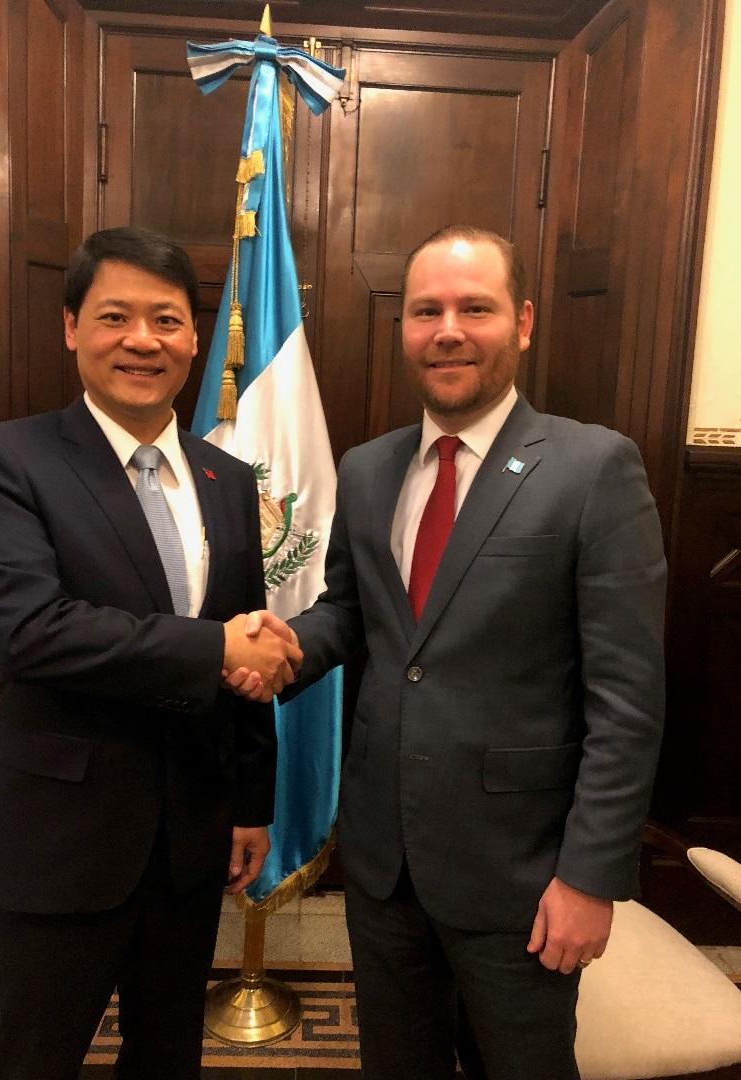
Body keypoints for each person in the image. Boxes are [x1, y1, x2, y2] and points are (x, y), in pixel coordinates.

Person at [228, 226, 667, 1080]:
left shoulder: (594, 468)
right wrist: (285, 647)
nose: (448, 331)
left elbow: (628, 700)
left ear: (524, 322)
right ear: (405, 328)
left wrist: (590, 877)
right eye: (426, 310)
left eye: (476, 308)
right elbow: (352, 612)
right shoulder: (368, 469)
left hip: (522, 872)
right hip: (384, 858)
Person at [0, 226, 302, 1080]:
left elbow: (246, 650)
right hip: (54, 841)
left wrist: (250, 802)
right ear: (72, 326)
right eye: (115, 317)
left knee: (167, 1055)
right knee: (32, 1061)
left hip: (190, 839)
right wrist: (214, 646)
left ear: (195, 339)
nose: (143, 340)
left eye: (167, 320)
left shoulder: (226, 479)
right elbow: (32, 630)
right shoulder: (3, 458)